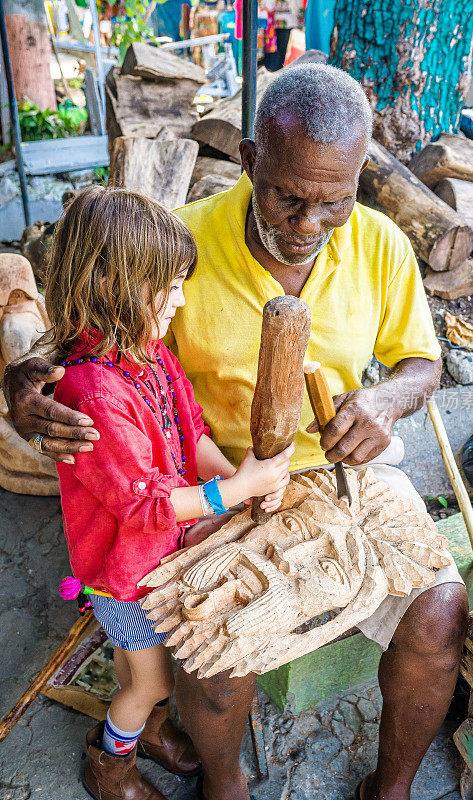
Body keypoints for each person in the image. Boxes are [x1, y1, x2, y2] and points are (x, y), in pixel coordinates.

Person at [4, 64, 469, 800]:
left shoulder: (381, 244)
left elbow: (422, 363)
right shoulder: (178, 248)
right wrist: (24, 381)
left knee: (440, 611)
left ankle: (393, 790)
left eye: (333, 204)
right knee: (214, 662)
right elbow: (86, 349)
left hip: (342, 471)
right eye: (287, 198)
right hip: (208, 483)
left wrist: (384, 402)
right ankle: (225, 787)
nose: (306, 226)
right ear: (251, 160)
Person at [46, 185, 293, 800]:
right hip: (123, 572)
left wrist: (242, 476)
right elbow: (144, 505)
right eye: (170, 285)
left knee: (147, 671)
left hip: (157, 559)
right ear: (113, 287)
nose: (181, 299)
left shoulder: (149, 355)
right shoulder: (94, 395)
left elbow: (191, 435)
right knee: (147, 682)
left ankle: (147, 733)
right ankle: (112, 765)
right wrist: (234, 491)